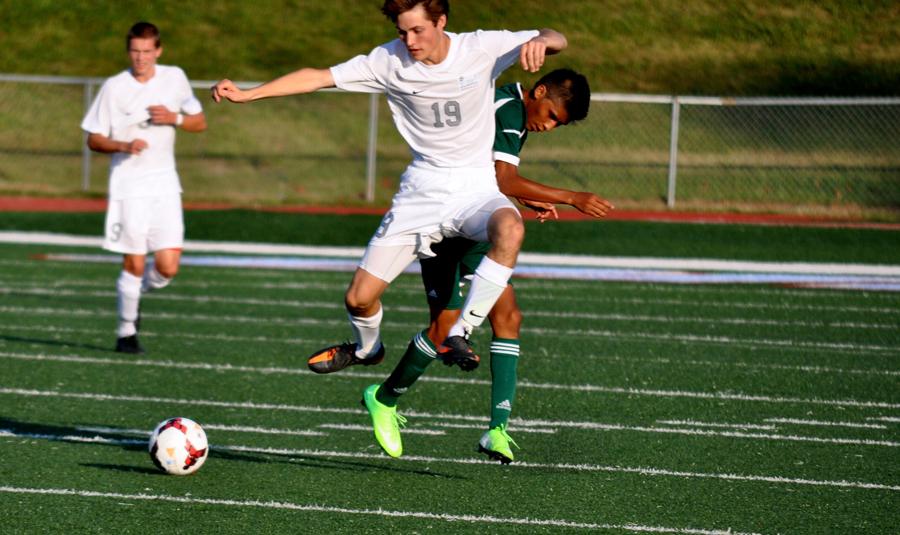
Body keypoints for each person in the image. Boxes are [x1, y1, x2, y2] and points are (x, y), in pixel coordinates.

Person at [212, 3, 565, 374]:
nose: (409, 41)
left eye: (418, 31)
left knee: (511, 228)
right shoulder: (387, 60)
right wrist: (249, 94)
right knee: (358, 300)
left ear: (441, 22)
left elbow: (558, 37)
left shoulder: (480, 47)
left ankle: (461, 330)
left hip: (474, 188)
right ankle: (368, 350)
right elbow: (317, 76)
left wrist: (541, 40)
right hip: (421, 193)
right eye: (402, 32)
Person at [356, 69, 614, 462]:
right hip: (445, 224)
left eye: (556, 123)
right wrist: (570, 196)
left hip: (474, 224)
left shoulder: (514, 111)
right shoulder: (508, 109)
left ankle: (497, 430)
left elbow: (491, 178)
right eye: (550, 115)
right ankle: (385, 397)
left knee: (508, 316)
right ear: (539, 91)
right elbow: (504, 179)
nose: (547, 125)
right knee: (442, 329)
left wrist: (527, 199)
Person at [81, 22, 207, 354]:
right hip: (128, 186)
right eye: (135, 51)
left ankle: (134, 294)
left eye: (147, 51)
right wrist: (122, 145)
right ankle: (126, 331)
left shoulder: (175, 77)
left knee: (167, 268)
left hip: (165, 184)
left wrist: (175, 119)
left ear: (158, 51)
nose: (141, 58)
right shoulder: (114, 87)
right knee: (134, 263)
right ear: (128, 52)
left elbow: (199, 121)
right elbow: (93, 138)